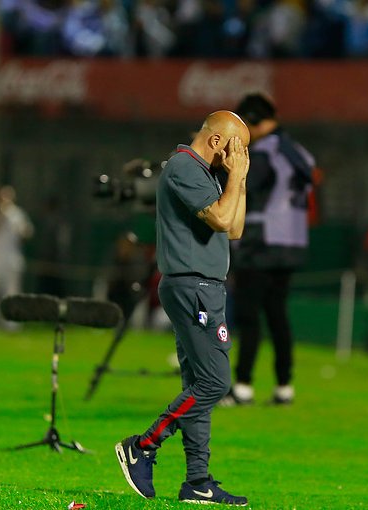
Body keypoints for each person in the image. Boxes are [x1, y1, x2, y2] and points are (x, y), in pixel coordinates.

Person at [115, 111, 250, 506]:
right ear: (214, 143)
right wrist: (237, 177)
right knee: (215, 382)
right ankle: (143, 445)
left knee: (197, 385)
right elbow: (223, 217)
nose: (240, 155)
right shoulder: (183, 167)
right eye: (236, 146)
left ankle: (198, 481)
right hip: (193, 287)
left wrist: (234, 177)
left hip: (204, 288)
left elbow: (235, 227)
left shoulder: (207, 174)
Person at [222, 93, 315, 406]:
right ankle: (284, 385)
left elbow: (244, 187)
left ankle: (244, 385)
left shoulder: (263, 151)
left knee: (249, 315)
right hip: (292, 241)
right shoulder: (298, 151)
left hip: (262, 241)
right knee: (278, 315)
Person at [0, 185, 33, 329]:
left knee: (12, 291)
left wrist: (25, 232)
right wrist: (0, 216)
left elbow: (26, 233)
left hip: (12, 258)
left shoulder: (18, 214)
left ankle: (11, 322)